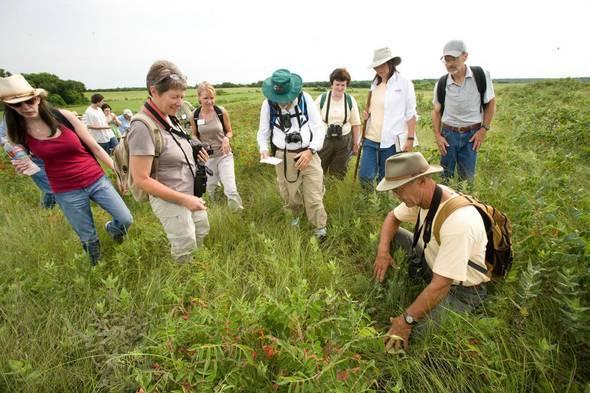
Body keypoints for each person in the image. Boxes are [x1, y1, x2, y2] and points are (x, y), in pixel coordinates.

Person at [0, 74, 133, 265]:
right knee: (87, 236)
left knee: (125, 218)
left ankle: (113, 231)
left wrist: (118, 172)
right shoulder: (18, 131)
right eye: (18, 105)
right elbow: (20, 155)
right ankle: (97, 268)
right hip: (65, 189)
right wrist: (21, 163)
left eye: (30, 101)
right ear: (10, 107)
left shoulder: (64, 117)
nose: (26, 107)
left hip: (95, 179)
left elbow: (95, 147)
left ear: (38, 98)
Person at [372, 152, 489, 351]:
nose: (396, 196)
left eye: (399, 190)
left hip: (461, 290)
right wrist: (383, 252)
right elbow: (392, 217)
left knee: (418, 336)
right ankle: (381, 286)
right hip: (434, 264)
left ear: (423, 181)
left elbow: (442, 285)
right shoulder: (425, 197)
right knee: (395, 235)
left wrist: (406, 320)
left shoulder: (459, 221)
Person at [127, 60, 210, 262]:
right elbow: (141, 179)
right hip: (172, 198)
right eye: (174, 97)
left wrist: (198, 157)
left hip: (189, 192)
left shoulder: (168, 116)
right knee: (185, 245)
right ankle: (188, 286)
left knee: (201, 232)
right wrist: (184, 200)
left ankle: (200, 273)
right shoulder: (142, 126)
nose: (179, 102)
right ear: (154, 91)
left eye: (182, 96)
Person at [257, 69, 328, 239]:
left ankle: (320, 230)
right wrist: (264, 149)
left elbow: (319, 128)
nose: (282, 102)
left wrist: (310, 151)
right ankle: (295, 218)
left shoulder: (306, 99)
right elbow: (263, 132)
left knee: (314, 195)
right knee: (289, 195)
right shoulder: (268, 104)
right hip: (283, 156)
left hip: (308, 153)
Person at [432, 40, 496, 181]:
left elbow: (490, 102)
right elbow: (436, 111)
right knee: (445, 177)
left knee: (467, 179)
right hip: (448, 135)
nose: (450, 64)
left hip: (472, 135)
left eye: (453, 59)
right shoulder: (441, 83)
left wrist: (483, 130)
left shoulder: (480, 75)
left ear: (465, 56)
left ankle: (465, 202)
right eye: (447, 60)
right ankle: (447, 203)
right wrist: (438, 136)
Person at [359, 47, 417, 187]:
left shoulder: (404, 83)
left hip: (391, 139)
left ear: (391, 63)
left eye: (383, 64)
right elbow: (375, 108)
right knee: (365, 176)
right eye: (376, 66)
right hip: (371, 137)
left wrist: (410, 139)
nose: (380, 68)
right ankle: (367, 202)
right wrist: (367, 114)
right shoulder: (374, 84)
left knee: (386, 178)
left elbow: (411, 114)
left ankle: (382, 204)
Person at [189, 82, 243, 210]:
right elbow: (194, 135)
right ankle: (216, 211)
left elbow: (229, 131)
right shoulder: (194, 115)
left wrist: (226, 138)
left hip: (224, 155)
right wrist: (199, 144)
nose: (209, 101)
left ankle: (237, 213)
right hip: (207, 158)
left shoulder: (220, 112)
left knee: (231, 189)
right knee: (211, 189)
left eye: (212, 98)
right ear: (199, 98)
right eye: (205, 98)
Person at [315, 68, 361, 178]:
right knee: (319, 168)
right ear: (332, 84)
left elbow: (356, 123)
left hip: (344, 140)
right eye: (337, 84)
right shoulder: (322, 99)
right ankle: (319, 191)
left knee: (339, 170)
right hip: (324, 138)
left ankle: (335, 192)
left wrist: (355, 144)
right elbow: (313, 122)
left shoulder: (350, 100)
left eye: (343, 85)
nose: (340, 88)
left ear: (347, 85)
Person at [1, 115, 56, 208]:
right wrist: (20, 156)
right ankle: (44, 211)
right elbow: (3, 139)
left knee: (58, 187)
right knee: (51, 190)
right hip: (30, 160)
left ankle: (46, 211)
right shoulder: (10, 117)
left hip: (47, 156)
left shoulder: (39, 112)